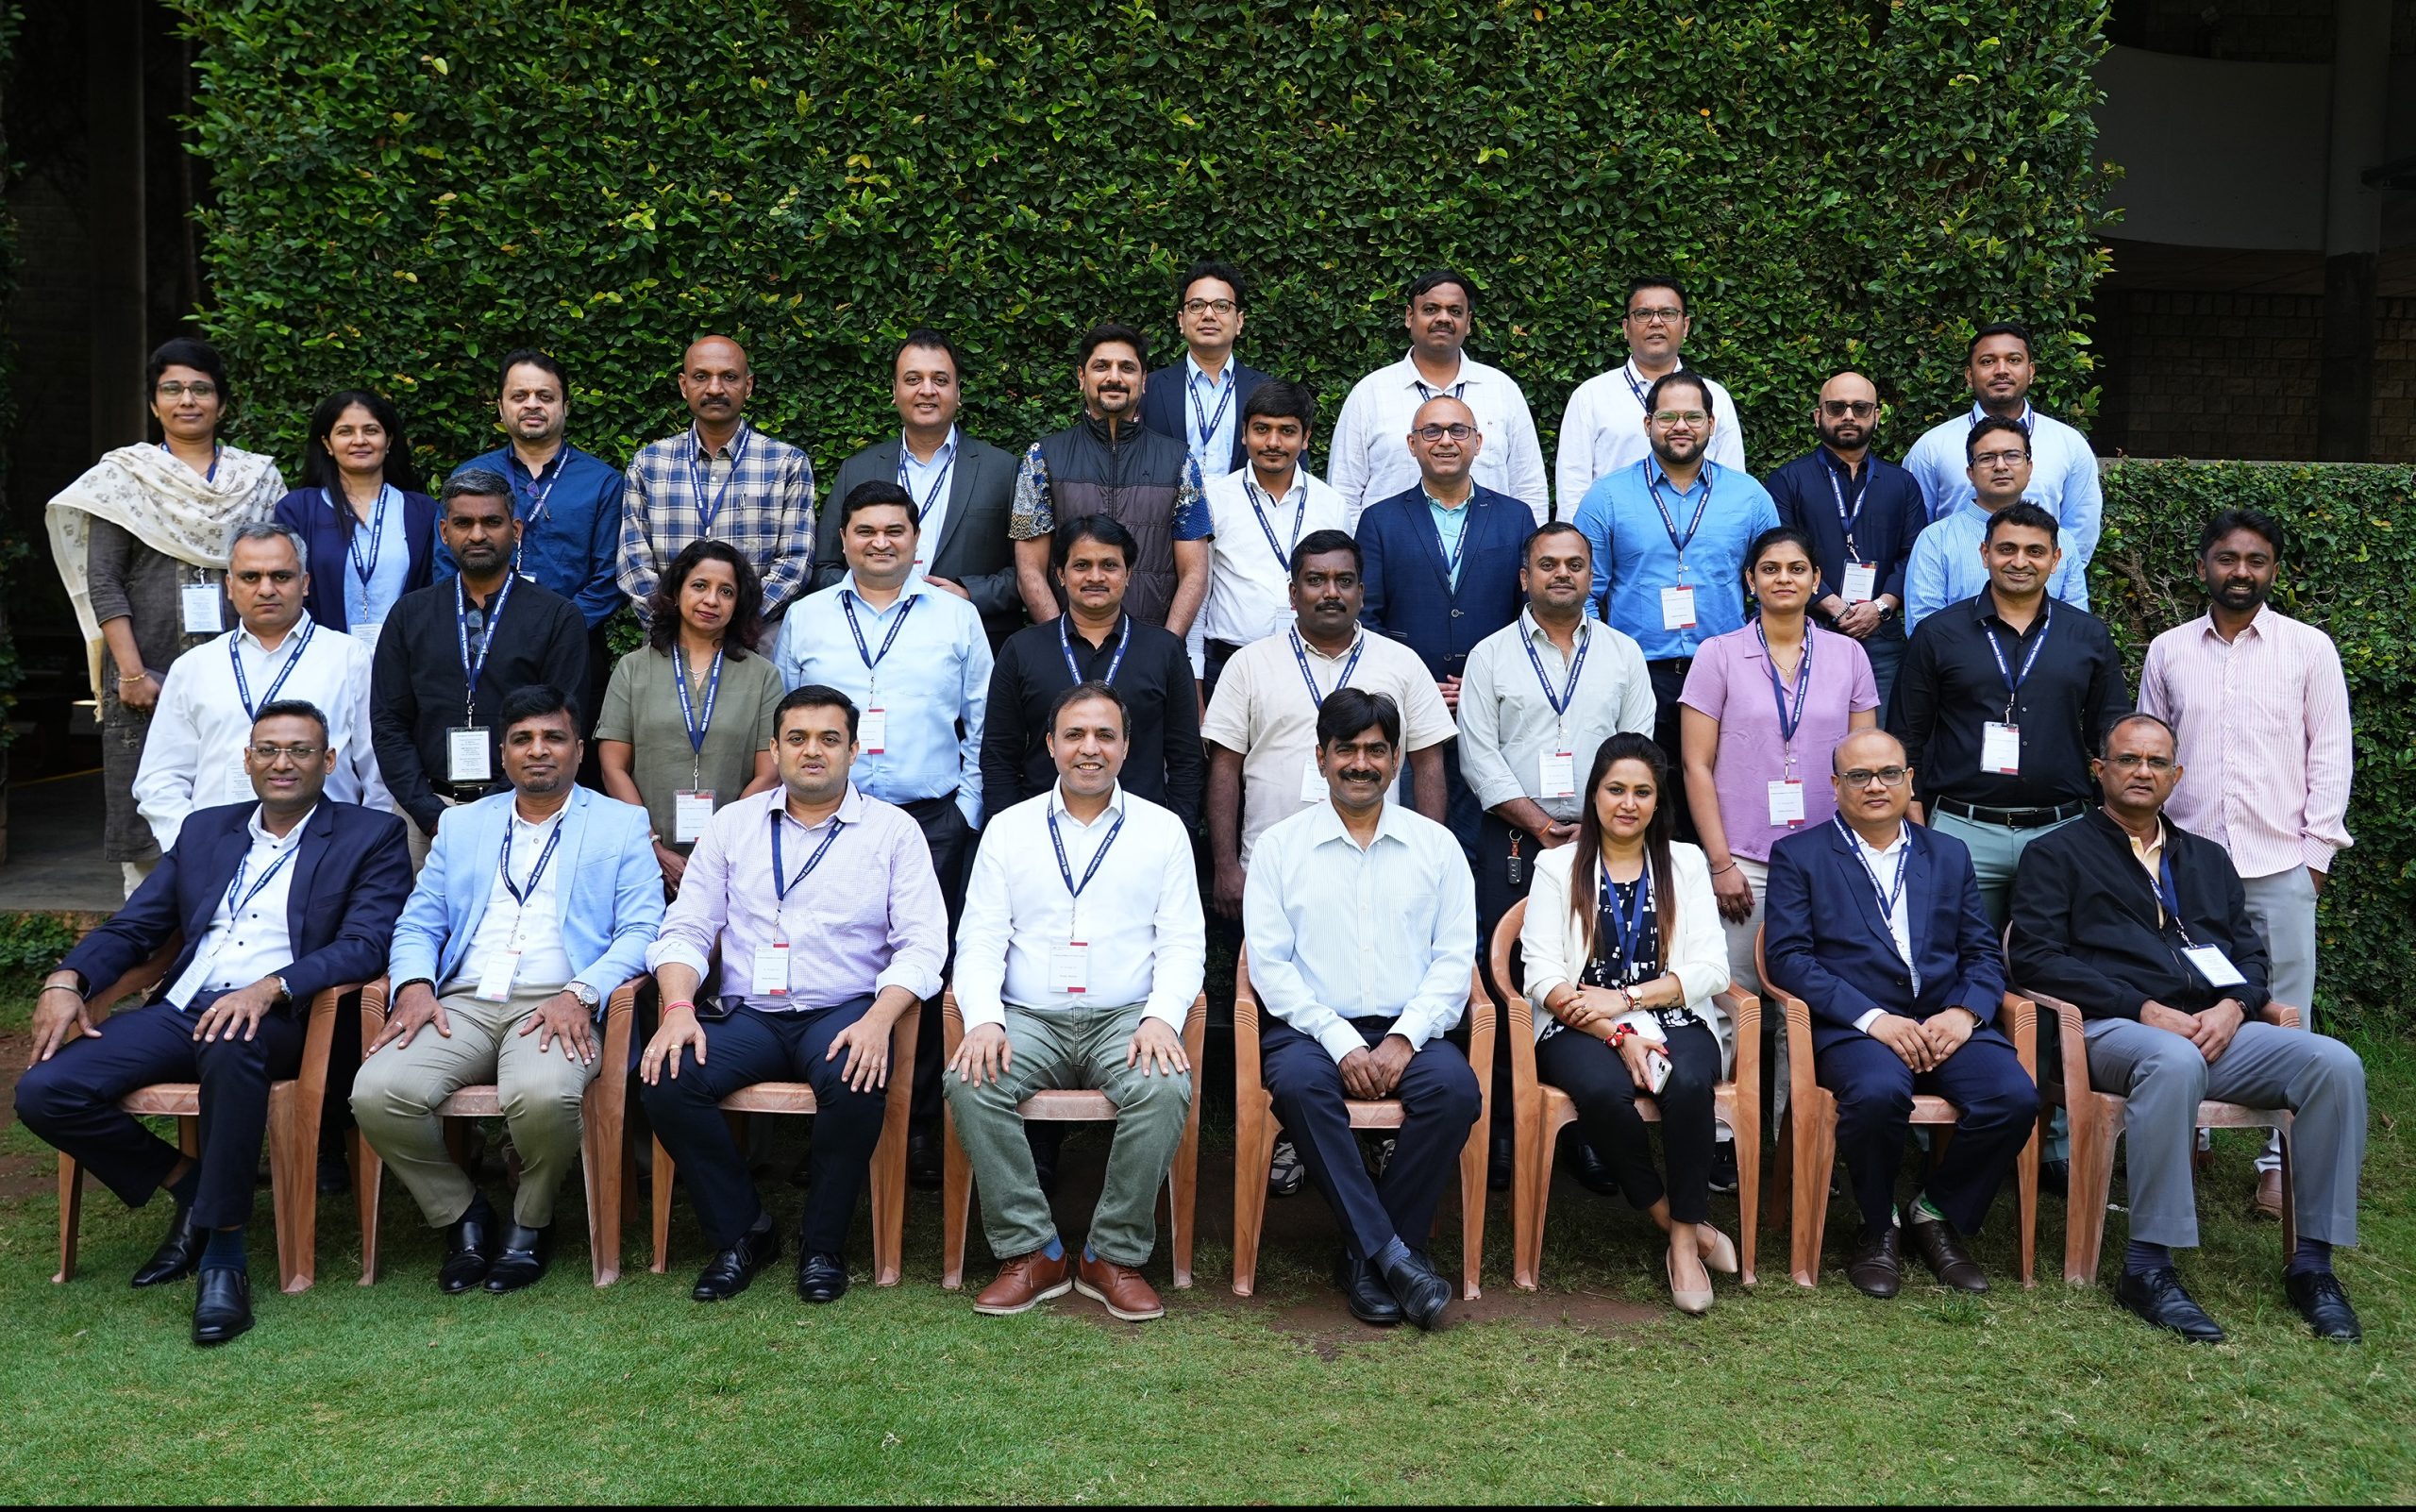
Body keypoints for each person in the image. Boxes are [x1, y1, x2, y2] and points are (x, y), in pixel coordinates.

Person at [15, 699, 410, 1346]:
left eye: (301, 750)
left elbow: (367, 943)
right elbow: (137, 926)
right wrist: (67, 981)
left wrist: (270, 987)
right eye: (269, 750)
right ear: (248, 759)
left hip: (285, 1016)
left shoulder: (370, 835)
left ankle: (224, 1258)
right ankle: (194, 1188)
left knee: (233, 1044)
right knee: (45, 1089)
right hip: (183, 1007)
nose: (283, 762)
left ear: (328, 761)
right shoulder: (205, 831)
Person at [2008, 714, 2367, 1343]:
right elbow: (2036, 958)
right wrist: (2140, 1006)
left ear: (2176, 776)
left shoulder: (2205, 859)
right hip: (2111, 1030)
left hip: (2213, 1028)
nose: (2142, 771)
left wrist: (2235, 1006)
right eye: (2128, 759)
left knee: (2333, 1063)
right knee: (2172, 1064)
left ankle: (2313, 1265)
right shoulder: (2055, 853)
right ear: (2101, 771)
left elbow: (2249, 955)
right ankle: (2148, 1266)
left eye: (2156, 762)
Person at [638, 685, 948, 1303]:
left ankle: (823, 1245)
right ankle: (743, 1231)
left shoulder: (894, 832)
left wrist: (880, 1019)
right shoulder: (734, 825)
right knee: (666, 1078)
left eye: (829, 739)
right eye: (798, 739)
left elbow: (923, 944)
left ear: (854, 750)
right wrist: (676, 1010)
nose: (814, 751)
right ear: (775, 748)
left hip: (844, 1011)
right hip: (750, 1014)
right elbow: (687, 927)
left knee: (855, 1077)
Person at [351, 686, 663, 1293]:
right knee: (379, 1092)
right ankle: (462, 1214)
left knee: (544, 1096)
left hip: (560, 999)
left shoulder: (622, 824)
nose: (538, 751)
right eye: (523, 740)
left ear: (579, 751)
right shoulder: (464, 824)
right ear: (503, 754)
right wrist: (414, 984)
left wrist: (583, 992)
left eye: (553, 738)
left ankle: (531, 1219)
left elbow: (643, 929)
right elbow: (420, 920)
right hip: (463, 1000)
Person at [948, 681, 1205, 1320]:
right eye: (1075, 735)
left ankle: (1111, 1255)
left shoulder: (1163, 830)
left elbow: (1183, 943)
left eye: (1105, 735)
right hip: (1028, 1018)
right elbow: (978, 939)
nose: (1089, 748)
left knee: (1164, 1087)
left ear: (1125, 747)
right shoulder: (1008, 831)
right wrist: (983, 1020)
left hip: (1126, 1018)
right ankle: (1033, 1251)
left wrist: (1160, 1017)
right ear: (1052, 745)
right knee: (969, 1080)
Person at [1764, 729, 2039, 1298]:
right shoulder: (1800, 855)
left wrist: (1966, 1013)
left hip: (1944, 1021)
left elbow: (1982, 952)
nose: (1876, 786)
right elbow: (1789, 959)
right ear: (1836, 785)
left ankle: (1936, 1211)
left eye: (1890, 773)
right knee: (1877, 1094)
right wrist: (1872, 1019)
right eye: (1860, 776)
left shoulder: (1947, 853)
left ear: (1910, 780)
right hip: (1857, 1028)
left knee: (2013, 1098)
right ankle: (1877, 1223)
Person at [774, 480, 993, 1176]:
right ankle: (833, 1118)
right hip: (827, 819)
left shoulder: (956, 618)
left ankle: (919, 1121)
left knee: (923, 969)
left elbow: (986, 720)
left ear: (916, 539)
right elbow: (781, 718)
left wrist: (967, 808)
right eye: (865, 531)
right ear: (842, 542)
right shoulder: (805, 618)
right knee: (831, 962)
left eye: (894, 531)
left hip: (929, 820)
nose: (880, 542)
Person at [2139, 509, 2353, 1218]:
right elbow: (2150, 755)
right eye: (2227, 558)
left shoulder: (2308, 649)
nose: (2240, 572)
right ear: (2203, 565)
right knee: (2184, 996)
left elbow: (2330, 754)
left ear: (2273, 570)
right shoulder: (2169, 650)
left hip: (2277, 864)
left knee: (2286, 1011)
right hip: (2186, 865)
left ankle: (2278, 1162)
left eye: (2255, 561)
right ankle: (2190, 1132)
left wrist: (2314, 859)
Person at [1244, 689, 1480, 1331]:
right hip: (1311, 1031)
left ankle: (1368, 1253)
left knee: (1455, 1091)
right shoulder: (1280, 848)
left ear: (1397, 759)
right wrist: (1340, 1039)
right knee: (1298, 1086)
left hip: (1412, 1029)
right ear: (1320, 758)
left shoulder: (1437, 848)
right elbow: (1269, 967)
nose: (1361, 763)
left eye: (1376, 750)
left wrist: (1403, 1039)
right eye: (1345, 749)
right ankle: (1397, 1255)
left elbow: (1454, 961)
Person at [45, 337, 288, 896]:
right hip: (146, 673)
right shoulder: (123, 479)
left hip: (241, 669)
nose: (188, 400)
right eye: (172, 389)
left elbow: (279, 570)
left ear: (222, 404)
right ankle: (150, 948)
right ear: (154, 404)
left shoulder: (257, 480)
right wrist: (130, 674)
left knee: (243, 793)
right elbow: (101, 578)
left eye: (201, 390)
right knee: (151, 811)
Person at [1517, 734, 1736, 1313]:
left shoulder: (1685, 862)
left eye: (1643, 792)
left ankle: (1685, 1243)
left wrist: (1628, 999)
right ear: (1593, 796)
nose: (1628, 803)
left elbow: (1712, 967)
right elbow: (1539, 971)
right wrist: (1616, 1031)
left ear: (1658, 801)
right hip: (1579, 1025)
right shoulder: (1556, 865)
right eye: (1616, 789)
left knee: (1687, 1083)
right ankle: (1668, 1215)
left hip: (1674, 1012)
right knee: (1602, 1092)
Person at [1888, 500, 2127, 929]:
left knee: (2057, 964)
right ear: (1984, 554)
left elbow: (2110, 733)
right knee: (1957, 959)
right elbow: (1908, 732)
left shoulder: (2088, 635)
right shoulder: (1938, 634)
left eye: (2035, 551)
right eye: (2006, 549)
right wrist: (1913, 810)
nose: (2020, 562)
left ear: (2056, 560)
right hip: (1962, 830)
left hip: (2062, 829)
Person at [1570, 369, 1780, 838]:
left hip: (1728, 676)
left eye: (1692, 416)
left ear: (1711, 423)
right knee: (1641, 801)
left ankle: (1719, 887)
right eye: (1667, 416)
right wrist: (1602, 663)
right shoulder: (1606, 497)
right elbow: (1585, 593)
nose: (1680, 426)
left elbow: (1774, 589)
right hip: (1639, 674)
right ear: (1647, 424)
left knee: (1726, 794)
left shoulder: (1749, 498)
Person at [1678, 526, 1878, 1000]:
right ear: (1751, 581)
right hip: (1744, 861)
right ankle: (1731, 1077)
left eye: (1796, 569)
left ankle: (1801, 1081)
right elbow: (1695, 765)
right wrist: (1722, 863)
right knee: (1732, 995)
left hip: (1832, 855)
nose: (1783, 579)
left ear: (1816, 580)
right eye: (1770, 569)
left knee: (1818, 998)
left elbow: (1866, 765)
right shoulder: (1718, 655)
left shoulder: (1849, 654)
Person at [372, 470, 590, 869]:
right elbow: (388, 723)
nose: (477, 535)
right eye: (463, 523)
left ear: (516, 529)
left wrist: (495, 808)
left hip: (527, 809)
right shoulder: (409, 615)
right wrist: (428, 812)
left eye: (491, 522)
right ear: (443, 531)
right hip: (425, 816)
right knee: (419, 929)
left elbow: (565, 724)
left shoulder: (558, 617)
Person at [136, 523, 388, 856]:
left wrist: (359, 848)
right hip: (215, 851)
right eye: (250, 577)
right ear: (229, 585)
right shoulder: (194, 667)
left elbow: (379, 774)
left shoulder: (351, 658)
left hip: (326, 851)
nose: (266, 589)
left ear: (305, 582)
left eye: (281, 576)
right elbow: (160, 777)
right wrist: (189, 844)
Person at [1357, 395, 1532, 856]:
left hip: (1493, 711)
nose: (1446, 441)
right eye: (1432, 431)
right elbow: (1367, 618)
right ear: (1413, 444)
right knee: (1417, 841)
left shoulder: (1516, 519)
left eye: (1458, 430)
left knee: (1490, 846)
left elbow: (1525, 618)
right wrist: (1412, 685)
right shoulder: (1379, 520)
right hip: (1411, 708)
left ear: (1478, 442)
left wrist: (1480, 683)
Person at [450, 349, 627, 738]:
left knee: (564, 752)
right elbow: (446, 564)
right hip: (482, 644)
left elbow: (610, 578)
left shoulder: (602, 482)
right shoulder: (470, 475)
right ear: (500, 407)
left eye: (545, 396)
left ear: (565, 404)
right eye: (519, 396)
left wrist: (555, 629)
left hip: (573, 648)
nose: (532, 404)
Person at [981, 515, 1202, 826]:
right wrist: (1007, 832)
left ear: (1128, 575)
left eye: (1109, 565)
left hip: (1141, 834)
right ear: (1060, 574)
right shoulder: (1022, 650)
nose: (1095, 576)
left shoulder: (1164, 651)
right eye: (1081, 565)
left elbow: (1186, 760)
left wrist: (1181, 834)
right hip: (1041, 832)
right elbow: (998, 755)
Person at [812, 328, 1023, 646]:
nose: (927, 390)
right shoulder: (857, 469)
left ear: (958, 391)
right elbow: (824, 565)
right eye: (913, 379)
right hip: (869, 638)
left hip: (969, 640)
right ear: (894, 392)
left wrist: (968, 593)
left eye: (940, 380)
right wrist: (868, 592)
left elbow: (1028, 572)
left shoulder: (1003, 469)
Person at [596, 539, 785, 895]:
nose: (711, 600)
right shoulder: (633, 669)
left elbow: (770, 774)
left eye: (726, 591)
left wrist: (714, 853)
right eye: (700, 586)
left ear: (739, 603)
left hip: (735, 860)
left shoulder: (762, 676)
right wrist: (651, 846)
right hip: (641, 860)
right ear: (676, 591)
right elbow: (612, 767)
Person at [1010, 323, 1212, 632]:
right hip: (1066, 653)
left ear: (1143, 381)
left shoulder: (1180, 462)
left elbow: (1195, 574)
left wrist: (1164, 650)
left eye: (1127, 368)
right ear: (1082, 377)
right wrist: (1059, 645)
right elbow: (1029, 572)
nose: (1114, 377)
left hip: (1150, 652)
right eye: (1101, 366)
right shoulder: (1041, 459)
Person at [1326, 271, 1549, 528]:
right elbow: (1344, 492)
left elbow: (1529, 488)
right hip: (1393, 558)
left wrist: (1530, 555)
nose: (1443, 318)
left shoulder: (1503, 390)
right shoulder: (1369, 394)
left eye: (1455, 311)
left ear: (1468, 321)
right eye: (1431, 309)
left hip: (1493, 557)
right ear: (1410, 316)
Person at [619, 335, 817, 623]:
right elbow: (632, 564)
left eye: (729, 377)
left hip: (754, 642)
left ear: (747, 386)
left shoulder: (786, 464)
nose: (715, 388)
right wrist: (679, 626)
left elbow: (794, 563)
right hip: (666, 638)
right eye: (701, 376)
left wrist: (733, 623)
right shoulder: (648, 464)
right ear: (683, 386)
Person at [1901, 322, 2102, 601]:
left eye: (2014, 360)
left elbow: (2080, 533)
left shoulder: (2068, 445)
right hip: (1954, 609)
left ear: (2030, 372)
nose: (2001, 370)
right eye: (1987, 361)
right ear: (1970, 376)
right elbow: (1914, 532)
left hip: (2044, 608)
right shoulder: (1933, 447)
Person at [1761, 372, 1926, 703]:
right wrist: (1835, 606)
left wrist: (1880, 607)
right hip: (1808, 629)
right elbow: (1780, 556)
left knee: (1877, 744)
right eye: (1837, 407)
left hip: (1882, 636)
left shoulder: (1902, 484)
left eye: (1861, 408)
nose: (1849, 416)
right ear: (1818, 416)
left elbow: (1914, 554)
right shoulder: (1787, 480)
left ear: (1877, 416)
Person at [1193, 380, 1347, 695]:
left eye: (1287, 431)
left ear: (1306, 438)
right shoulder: (1213, 500)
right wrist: (1195, 689)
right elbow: (1198, 593)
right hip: (1226, 665)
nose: (1273, 442)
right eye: (1261, 429)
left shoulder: (1332, 504)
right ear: (1244, 433)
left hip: (1311, 663)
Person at [1556, 276, 1748, 507]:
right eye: (1643, 314)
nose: (1656, 322)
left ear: (1685, 326)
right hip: (1613, 537)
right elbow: (1572, 489)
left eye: (1668, 313)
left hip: (1699, 538)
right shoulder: (1591, 397)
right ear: (1626, 328)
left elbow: (1733, 486)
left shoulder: (1716, 397)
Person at [272, 388, 439, 647]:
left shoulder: (422, 512)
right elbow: (285, 588)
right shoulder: (298, 509)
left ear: (389, 439)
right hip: (321, 659)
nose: (359, 440)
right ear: (327, 443)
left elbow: (434, 591)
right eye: (345, 431)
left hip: (405, 660)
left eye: (371, 430)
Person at [1903, 417, 2086, 631]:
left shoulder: (2061, 540)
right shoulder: (1936, 539)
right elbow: (1924, 628)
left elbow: (2077, 629)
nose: (2000, 466)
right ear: (1971, 473)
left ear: (2029, 468)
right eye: (1987, 458)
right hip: (1960, 663)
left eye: (2012, 456)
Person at [1137, 260, 1269, 477]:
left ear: (1239, 321)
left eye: (1221, 306)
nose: (1208, 315)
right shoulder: (1147, 388)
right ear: (1181, 320)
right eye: (1197, 305)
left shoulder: (1267, 390)